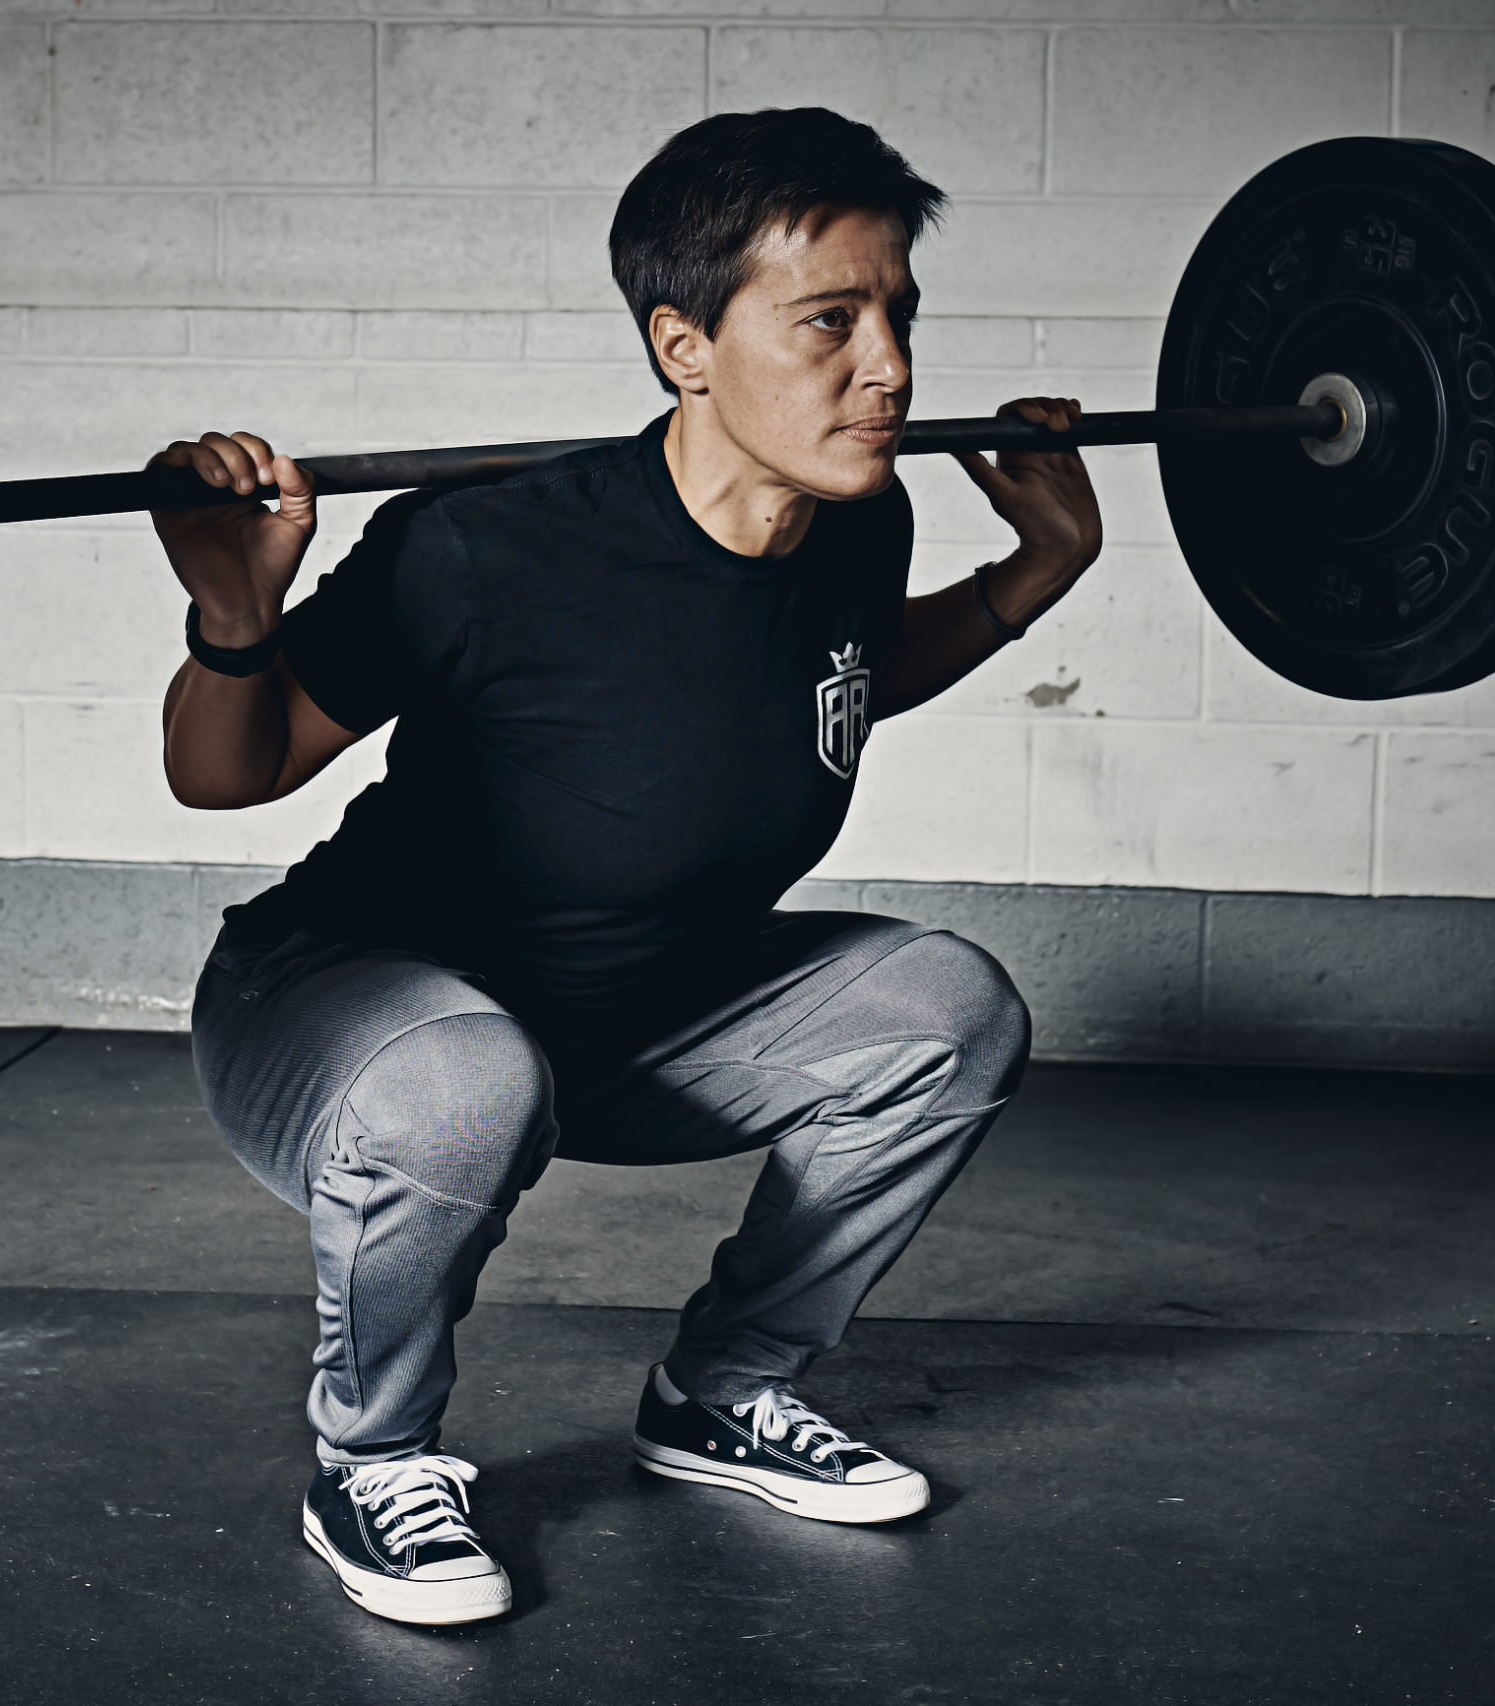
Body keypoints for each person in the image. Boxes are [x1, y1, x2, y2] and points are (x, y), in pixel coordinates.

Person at [147, 108, 1101, 1627]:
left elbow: (843, 671)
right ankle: (370, 1459)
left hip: (626, 1023)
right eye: (831, 324)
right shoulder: (483, 548)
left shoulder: (857, 522)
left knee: (949, 1007)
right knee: (466, 1073)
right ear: (685, 346)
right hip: (347, 1017)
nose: (894, 370)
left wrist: (1030, 573)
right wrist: (234, 610)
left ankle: (725, 1388)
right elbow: (226, 768)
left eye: (900, 315)